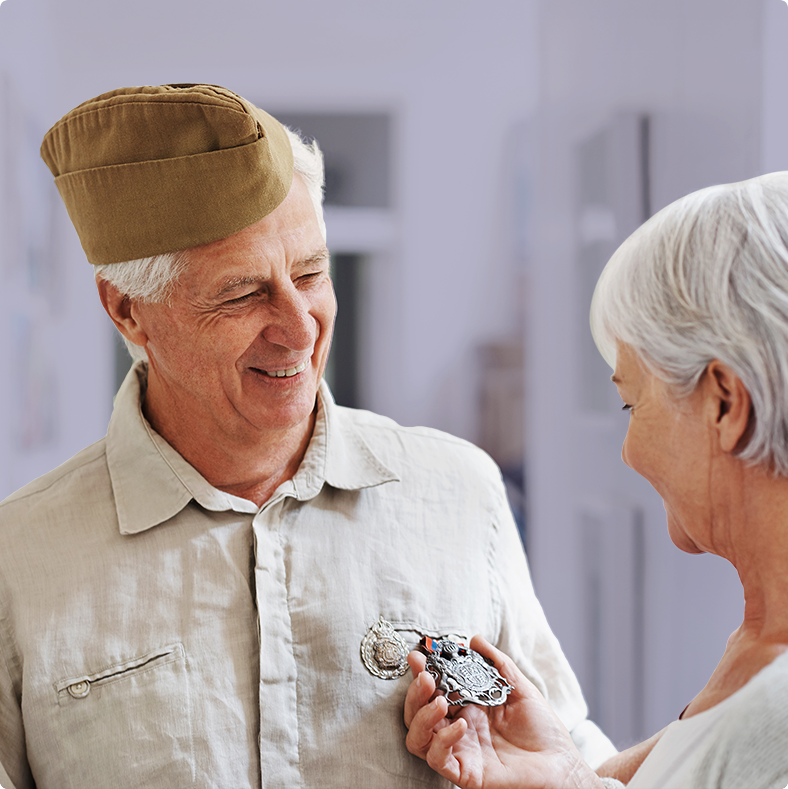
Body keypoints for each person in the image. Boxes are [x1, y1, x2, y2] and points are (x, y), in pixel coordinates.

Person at [0, 84, 618, 789]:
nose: (300, 328)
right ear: (129, 312)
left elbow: (568, 752)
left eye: (311, 273)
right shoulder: (17, 562)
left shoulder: (462, 493)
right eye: (242, 293)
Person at [404, 172, 788, 789]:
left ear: (724, 402)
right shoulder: (756, 649)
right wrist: (565, 775)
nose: (629, 452)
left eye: (632, 404)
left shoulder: (776, 716)